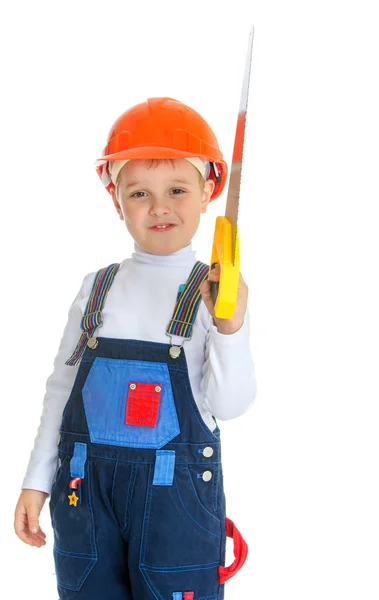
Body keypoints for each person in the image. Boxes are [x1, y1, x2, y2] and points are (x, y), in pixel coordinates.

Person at [14, 97, 257, 599]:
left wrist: (230, 327)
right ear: (116, 200)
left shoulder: (215, 292)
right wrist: (36, 480)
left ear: (209, 190)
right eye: (140, 192)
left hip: (176, 508)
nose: (159, 206)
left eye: (177, 189)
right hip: (86, 499)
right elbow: (61, 390)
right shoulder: (96, 288)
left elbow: (230, 407)